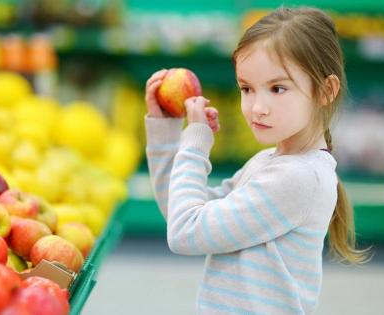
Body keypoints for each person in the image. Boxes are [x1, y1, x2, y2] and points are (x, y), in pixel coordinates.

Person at [144, 6, 371, 315]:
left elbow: (185, 233)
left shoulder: (297, 178)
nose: (257, 107)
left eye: (278, 88)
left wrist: (195, 147)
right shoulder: (269, 162)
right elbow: (181, 212)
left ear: (325, 90)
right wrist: (167, 132)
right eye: (247, 89)